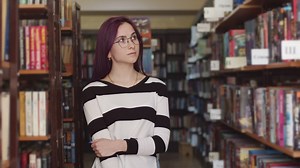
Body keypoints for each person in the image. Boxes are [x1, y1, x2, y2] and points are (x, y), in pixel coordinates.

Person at [82, 16, 170, 168]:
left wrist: (119, 145)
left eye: (133, 37)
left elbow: (161, 142)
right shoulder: (92, 92)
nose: (131, 44)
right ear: (108, 51)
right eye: (122, 40)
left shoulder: (157, 87)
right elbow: (104, 151)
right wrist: (133, 146)